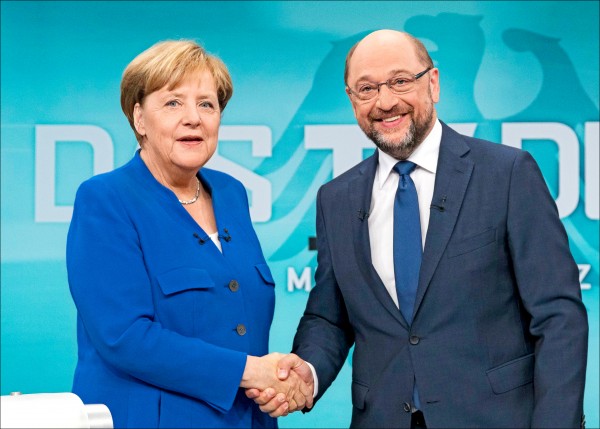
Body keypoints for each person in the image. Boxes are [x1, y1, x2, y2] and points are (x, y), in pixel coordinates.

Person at [248, 29, 588, 428]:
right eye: (367, 88)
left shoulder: (508, 174)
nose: (385, 101)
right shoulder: (335, 199)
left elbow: (558, 316)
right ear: (352, 100)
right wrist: (308, 371)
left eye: (400, 81)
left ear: (433, 83)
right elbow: (329, 318)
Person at [66, 39, 312, 428]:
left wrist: (279, 378)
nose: (193, 118)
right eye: (173, 103)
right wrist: (251, 371)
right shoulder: (105, 199)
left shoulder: (231, 193)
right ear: (139, 119)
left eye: (207, 104)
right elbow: (124, 336)